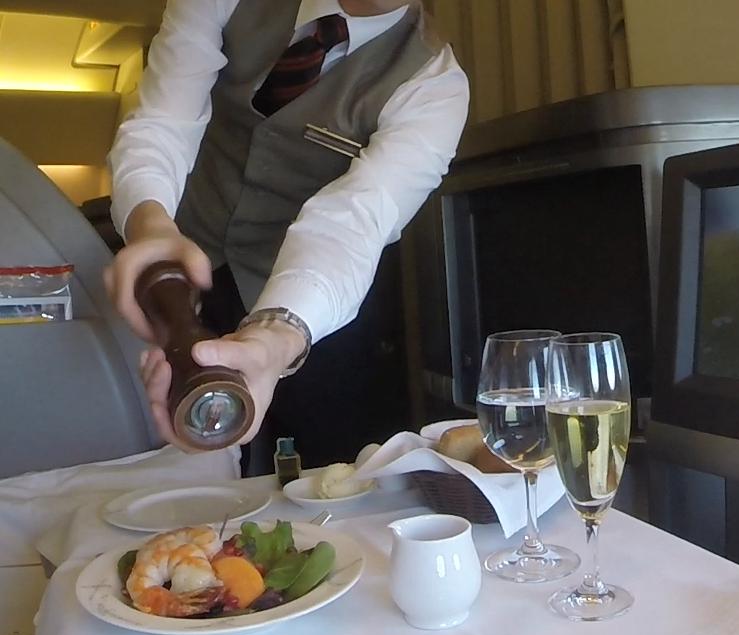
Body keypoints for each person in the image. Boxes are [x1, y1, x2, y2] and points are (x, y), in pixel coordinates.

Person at [103, 0, 469, 473]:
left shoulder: (434, 85)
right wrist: (150, 226)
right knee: (160, 460)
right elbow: (164, 122)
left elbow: (354, 220)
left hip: (309, 296)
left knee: (315, 468)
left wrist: (276, 336)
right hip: (181, 271)